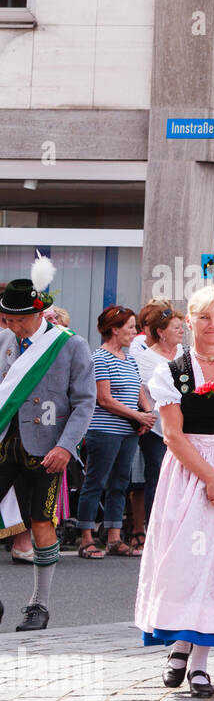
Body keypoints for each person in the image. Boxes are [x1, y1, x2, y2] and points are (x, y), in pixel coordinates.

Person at [134, 287, 214, 698]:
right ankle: (178, 645)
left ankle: (201, 664)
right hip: (190, 471)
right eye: (204, 317)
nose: (212, 325)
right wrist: (210, 477)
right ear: (188, 322)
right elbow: (172, 435)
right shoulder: (170, 372)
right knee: (185, 561)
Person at [0, 266, 95, 630]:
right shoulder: (4, 340)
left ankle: (39, 604)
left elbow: (85, 403)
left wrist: (67, 447)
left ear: (38, 314)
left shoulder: (70, 345)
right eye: (7, 319)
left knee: (41, 521)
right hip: (5, 443)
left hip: (47, 448)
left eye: (18, 321)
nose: (12, 327)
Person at [77, 305, 153, 558]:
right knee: (96, 482)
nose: (134, 332)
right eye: (130, 327)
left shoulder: (129, 358)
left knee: (120, 484)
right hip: (104, 430)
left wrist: (146, 412)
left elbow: (138, 388)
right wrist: (137, 415)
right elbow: (104, 399)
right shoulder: (99, 357)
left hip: (127, 431)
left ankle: (114, 537)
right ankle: (86, 538)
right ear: (114, 329)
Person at [132, 303, 185, 530]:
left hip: (185, 427)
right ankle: (155, 527)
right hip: (157, 428)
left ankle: (177, 526)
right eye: (176, 328)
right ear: (161, 332)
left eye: (182, 327)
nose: (182, 331)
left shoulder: (185, 353)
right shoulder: (145, 359)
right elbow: (143, 391)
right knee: (158, 475)